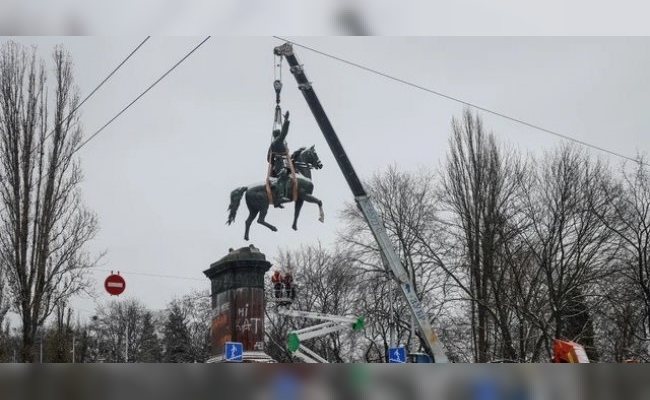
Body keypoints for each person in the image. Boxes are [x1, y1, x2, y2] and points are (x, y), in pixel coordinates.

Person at [267, 110, 292, 208]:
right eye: (280, 135)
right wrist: (286, 120)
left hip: (281, 163)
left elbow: (268, 158)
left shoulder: (276, 143)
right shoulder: (277, 141)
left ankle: (279, 199)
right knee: (282, 178)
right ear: (278, 135)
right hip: (279, 164)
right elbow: (284, 131)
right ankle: (281, 196)